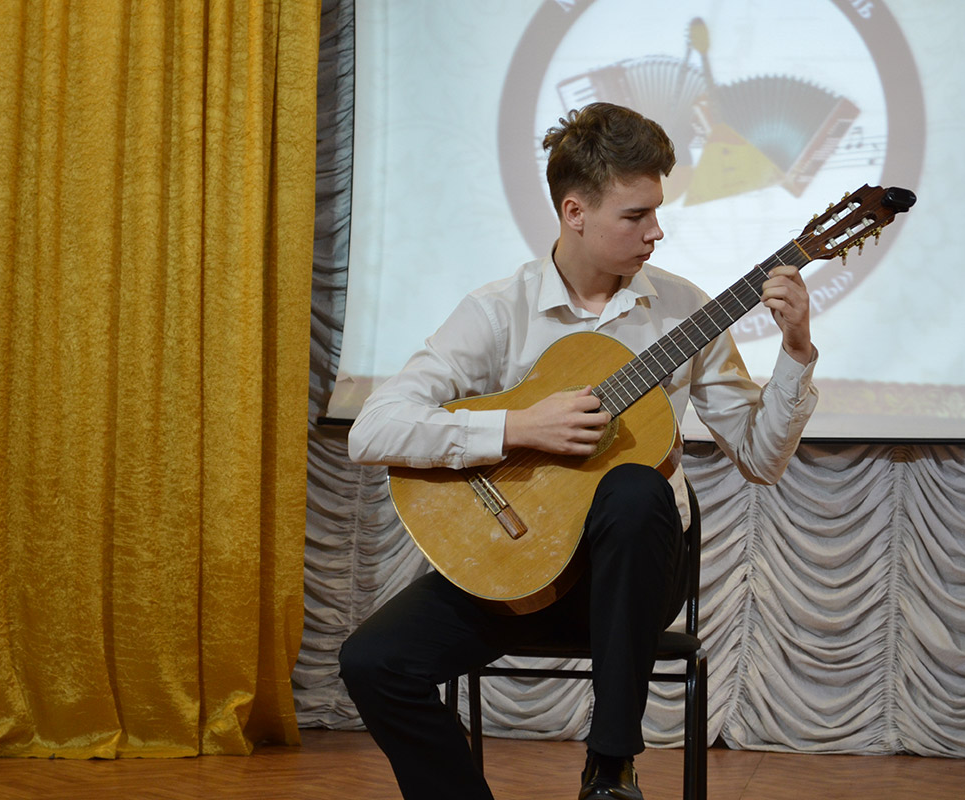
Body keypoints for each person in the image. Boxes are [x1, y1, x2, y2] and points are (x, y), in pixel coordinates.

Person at [340, 102, 818, 800]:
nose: (656, 232)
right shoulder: (499, 311)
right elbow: (373, 430)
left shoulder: (686, 310)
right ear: (575, 212)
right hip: (520, 569)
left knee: (635, 488)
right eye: (636, 215)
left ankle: (611, 767)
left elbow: (761, 459)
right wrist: (517, 429)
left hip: (631, 580)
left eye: (658, 212)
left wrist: (796, 351)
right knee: (373, 663)